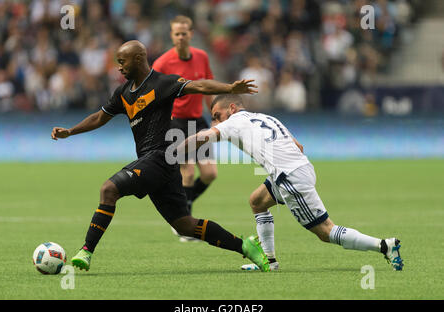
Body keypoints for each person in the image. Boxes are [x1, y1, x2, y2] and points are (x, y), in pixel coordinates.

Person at [50, 40, 270, 272]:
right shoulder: (123, 92)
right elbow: (99, 117)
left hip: (160, 157)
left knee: (109, 189)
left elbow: (200, 86)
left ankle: (86, 251)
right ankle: (246, 246)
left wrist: (230, 89)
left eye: (122, 62)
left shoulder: (163, 83)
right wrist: (71, 131)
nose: (119, 67)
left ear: (137, 59)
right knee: (184, 225)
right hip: (161, 165)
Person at [178, 94, 404, 271]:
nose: (215, 120)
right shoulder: (266, 118)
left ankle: (384, 245)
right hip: (296, 170)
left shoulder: (233, 122)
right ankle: (269, 261)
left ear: (233, 109)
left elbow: (202, 137)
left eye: (217, 115)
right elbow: (298, 145)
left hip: (290, 177)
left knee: (326, 232)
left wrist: (174, 150)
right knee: (257, 201)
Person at [152, 16, 217, 243]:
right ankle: (185, 223)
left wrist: (216, 115)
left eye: (184, 33)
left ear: (191, 34)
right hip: (176, 122)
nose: (181, 37)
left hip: (198, 121)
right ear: (172, 36)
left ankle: (181, 213)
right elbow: (153, 96)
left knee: (209, 174)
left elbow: (208, 87)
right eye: (177, 34)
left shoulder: (202, 57)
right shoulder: (162, 63)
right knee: (187, 173)